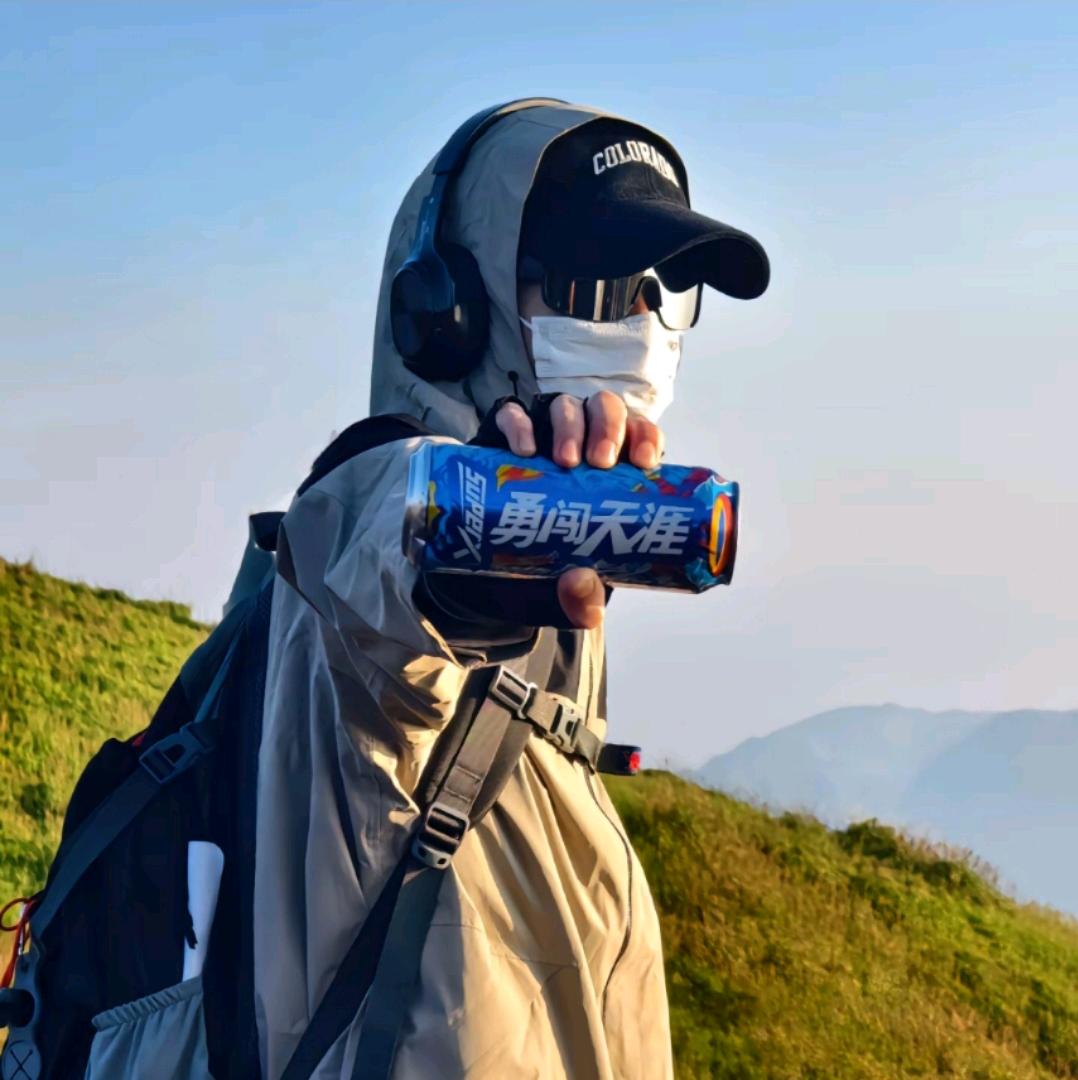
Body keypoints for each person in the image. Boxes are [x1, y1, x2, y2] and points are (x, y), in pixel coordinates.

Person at [253, 100, 769, 1079]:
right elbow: (376, 571)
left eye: (658, 294)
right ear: (446, 310)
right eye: (592, 287)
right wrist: (481, 559)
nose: (639, 327)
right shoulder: (360, 523)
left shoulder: (566, 603)